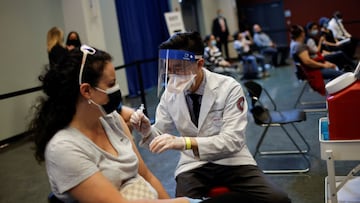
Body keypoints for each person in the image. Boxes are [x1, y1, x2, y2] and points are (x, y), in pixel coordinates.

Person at [130, 31, 291, 203]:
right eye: (169, 69)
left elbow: (233, 140)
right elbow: (159, 137)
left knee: (278, 200)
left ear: (199, 64)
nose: (172, 76)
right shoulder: (170, 92)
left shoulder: (228, 88)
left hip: (232, 160)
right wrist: (147, 130)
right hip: (193, 164)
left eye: (178, 69)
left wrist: (186, 142)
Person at [29, 44, 201, 203]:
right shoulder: (63, 148)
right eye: (111, 84)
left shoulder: (112, 120)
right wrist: (184, 202)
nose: (117, 89)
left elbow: (147, 176)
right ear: (86, 90)